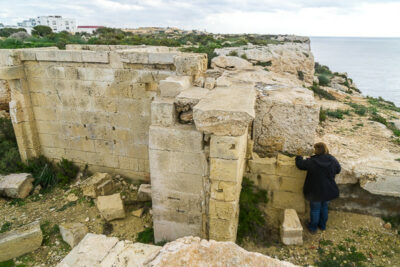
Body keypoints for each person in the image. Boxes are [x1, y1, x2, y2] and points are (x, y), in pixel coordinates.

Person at [295, 142, 341, 234]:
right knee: (324, 208)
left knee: (315, 210)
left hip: (315, 191)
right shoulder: (332, 159)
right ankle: (322, 226)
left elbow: (300, 165)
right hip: (328, 190)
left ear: (317, 150)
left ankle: (313, 228)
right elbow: (338, 169)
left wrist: (298, 156)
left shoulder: (312, 161)